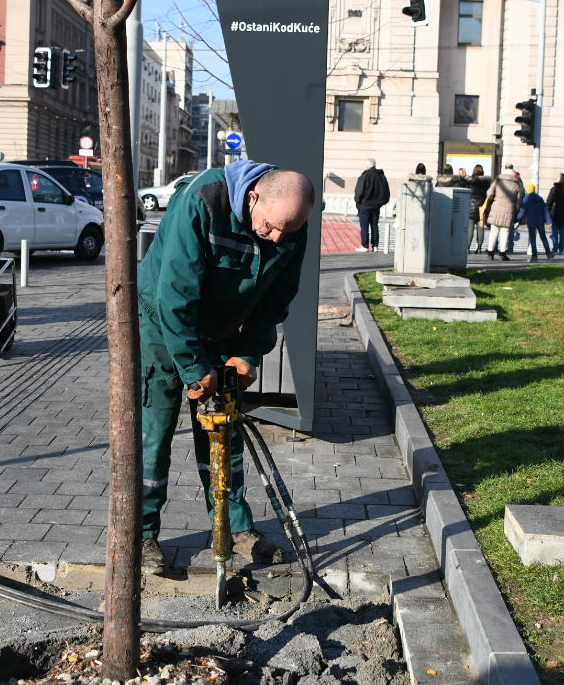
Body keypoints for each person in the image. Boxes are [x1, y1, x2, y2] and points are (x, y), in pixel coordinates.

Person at [138, 162, 315, 574]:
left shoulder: (291, 225)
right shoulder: (202, 202)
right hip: (161, 324)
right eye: (270, 227)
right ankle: (143, 535)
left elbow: (276, 299)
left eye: (285, 233)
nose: (276, 238)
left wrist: (248, 353)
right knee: (155, 431)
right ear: (253, 198)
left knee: (223, 428)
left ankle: (235, 528)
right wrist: (193, 368)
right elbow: (175, 296)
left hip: (222, 329)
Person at [484, 164, 522, 261]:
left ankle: (490, 253)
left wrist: (494, 198)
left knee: (494, 231)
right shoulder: (517, 184)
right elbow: (519, 201)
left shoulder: (498, 180)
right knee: (505, 232)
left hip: (496, 208)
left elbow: (489, 193)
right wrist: (516, 209)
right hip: (509, 209)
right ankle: (502, 253)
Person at [352, 158, 390, 254]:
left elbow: (358, 192)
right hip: (376, 206)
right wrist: (382, 202)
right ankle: (375, 246)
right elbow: (386, 192)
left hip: (365, 206)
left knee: (364, 226)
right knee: (374, 225)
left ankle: (365, 245)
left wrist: (358, 204)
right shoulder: (381, 176)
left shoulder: (365, 176)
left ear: (368, 166)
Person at [519, 183, 553, 260]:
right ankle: (548, 254)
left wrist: (517, 218)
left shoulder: (526, 199)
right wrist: (549, 221)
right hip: (540, 221)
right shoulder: (539, 198)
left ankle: (534, 256)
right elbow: (545, 210)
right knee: (543, 238)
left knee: (533, 239)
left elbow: (523, 211)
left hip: (531, 222)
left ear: (527, 190)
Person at [545, 173, 564, 256]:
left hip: (555, 212)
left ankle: (555, 248)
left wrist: (548, 212)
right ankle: (561, 249)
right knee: (562, 232)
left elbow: (549, 202)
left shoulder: (554, 189)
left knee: (554, 232)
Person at [466, 164, 492, 252]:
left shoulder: (470, 181)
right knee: (481, 227)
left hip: (471, 206)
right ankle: (479, 247)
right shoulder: (486, 182)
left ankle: (467, 247)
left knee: (470, 227)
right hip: (482, 207)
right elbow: (488, 195)